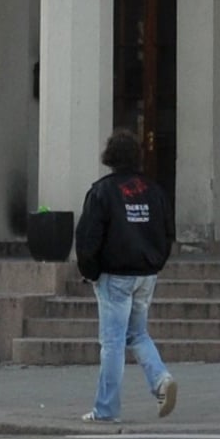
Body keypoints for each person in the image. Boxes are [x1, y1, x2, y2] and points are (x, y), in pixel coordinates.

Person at [73, 128, 177, 423]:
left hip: (114, 274)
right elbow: (168, 232)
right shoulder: (154, 191)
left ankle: (106, 409)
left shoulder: (102, 191)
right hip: (146, 273)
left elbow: (88, 237)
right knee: (138, 333)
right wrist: (156, 262)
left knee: (113, 343)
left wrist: (90, 272)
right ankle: (161, 379)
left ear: (109, 157)